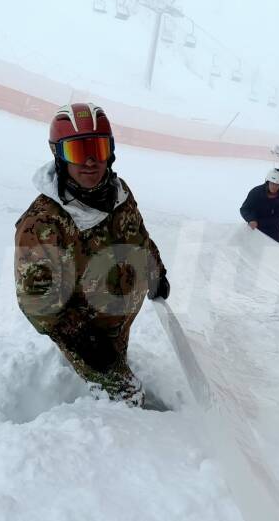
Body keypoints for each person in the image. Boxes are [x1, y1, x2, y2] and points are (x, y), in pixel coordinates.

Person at [15, 103, 170, 408]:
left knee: (118, 358)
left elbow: (138, 236)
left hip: (117, 319)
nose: (89, 162)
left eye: (97, 149)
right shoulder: (43, 224)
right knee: (128, 399)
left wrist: (156, 272)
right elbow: (37, 300)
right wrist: (83, 341)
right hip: (85, 333)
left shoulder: (119, 193)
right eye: (77, 151)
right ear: (59, 156)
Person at [240, 167, 279, 244]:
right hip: (255, 230)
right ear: (268, 182)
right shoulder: (256, 192)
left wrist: (258, 222)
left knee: (277, 253)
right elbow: (244, 209)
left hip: (274, 230)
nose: (274, 187)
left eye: (277, 185)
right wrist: (251, 219)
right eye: (272, 183)